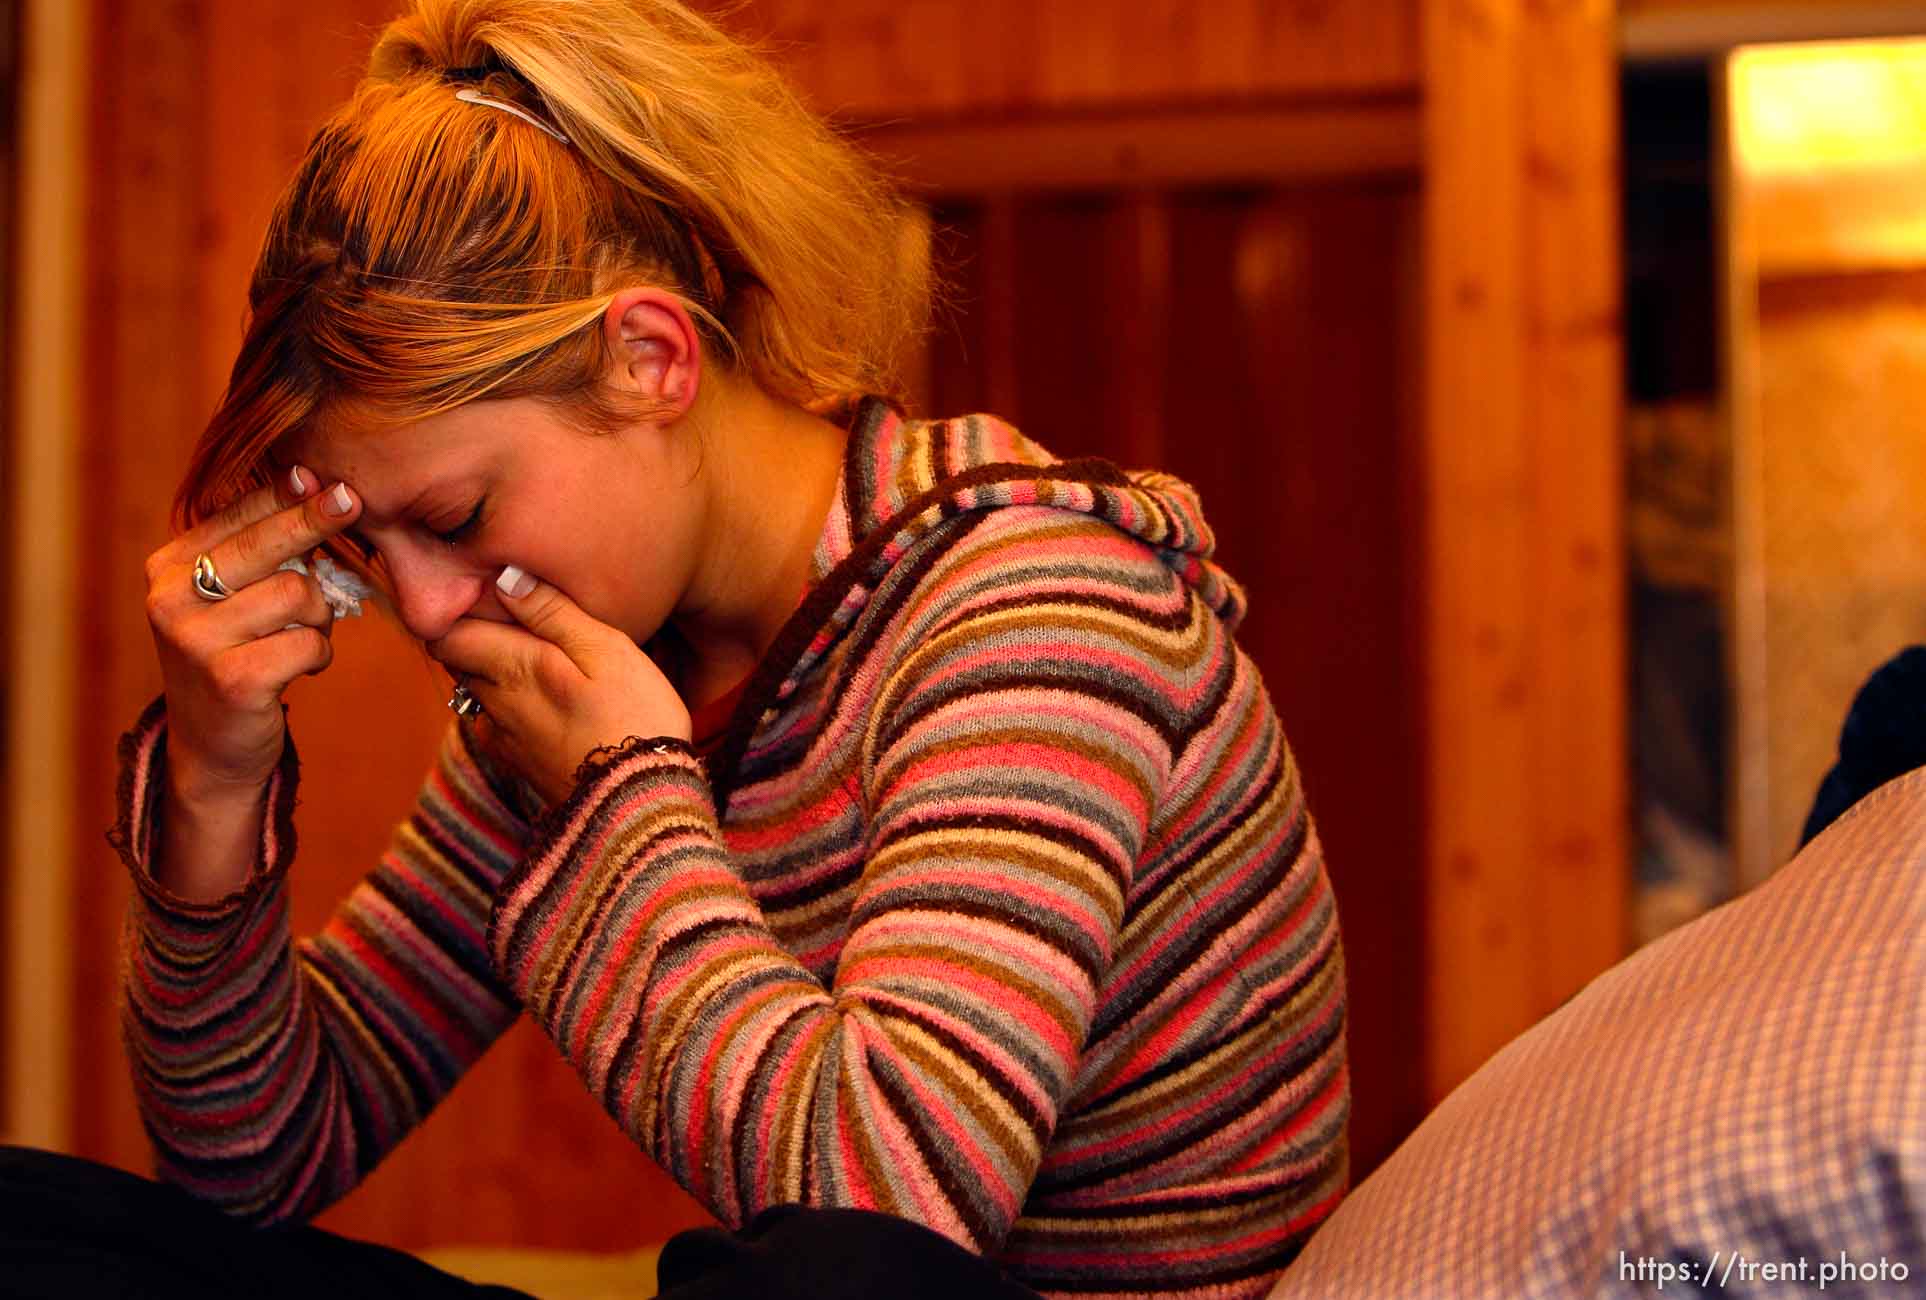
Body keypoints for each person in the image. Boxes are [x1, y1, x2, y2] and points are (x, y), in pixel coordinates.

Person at [19, 1, 1350, 1296]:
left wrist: (621, 799)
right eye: (374, 549)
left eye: (457, 517)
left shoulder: (1026, 603)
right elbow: (248, 1160)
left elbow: (885, 1215)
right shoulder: (582, 673)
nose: (426, 615)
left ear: (651, 358)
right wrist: (210, 784)